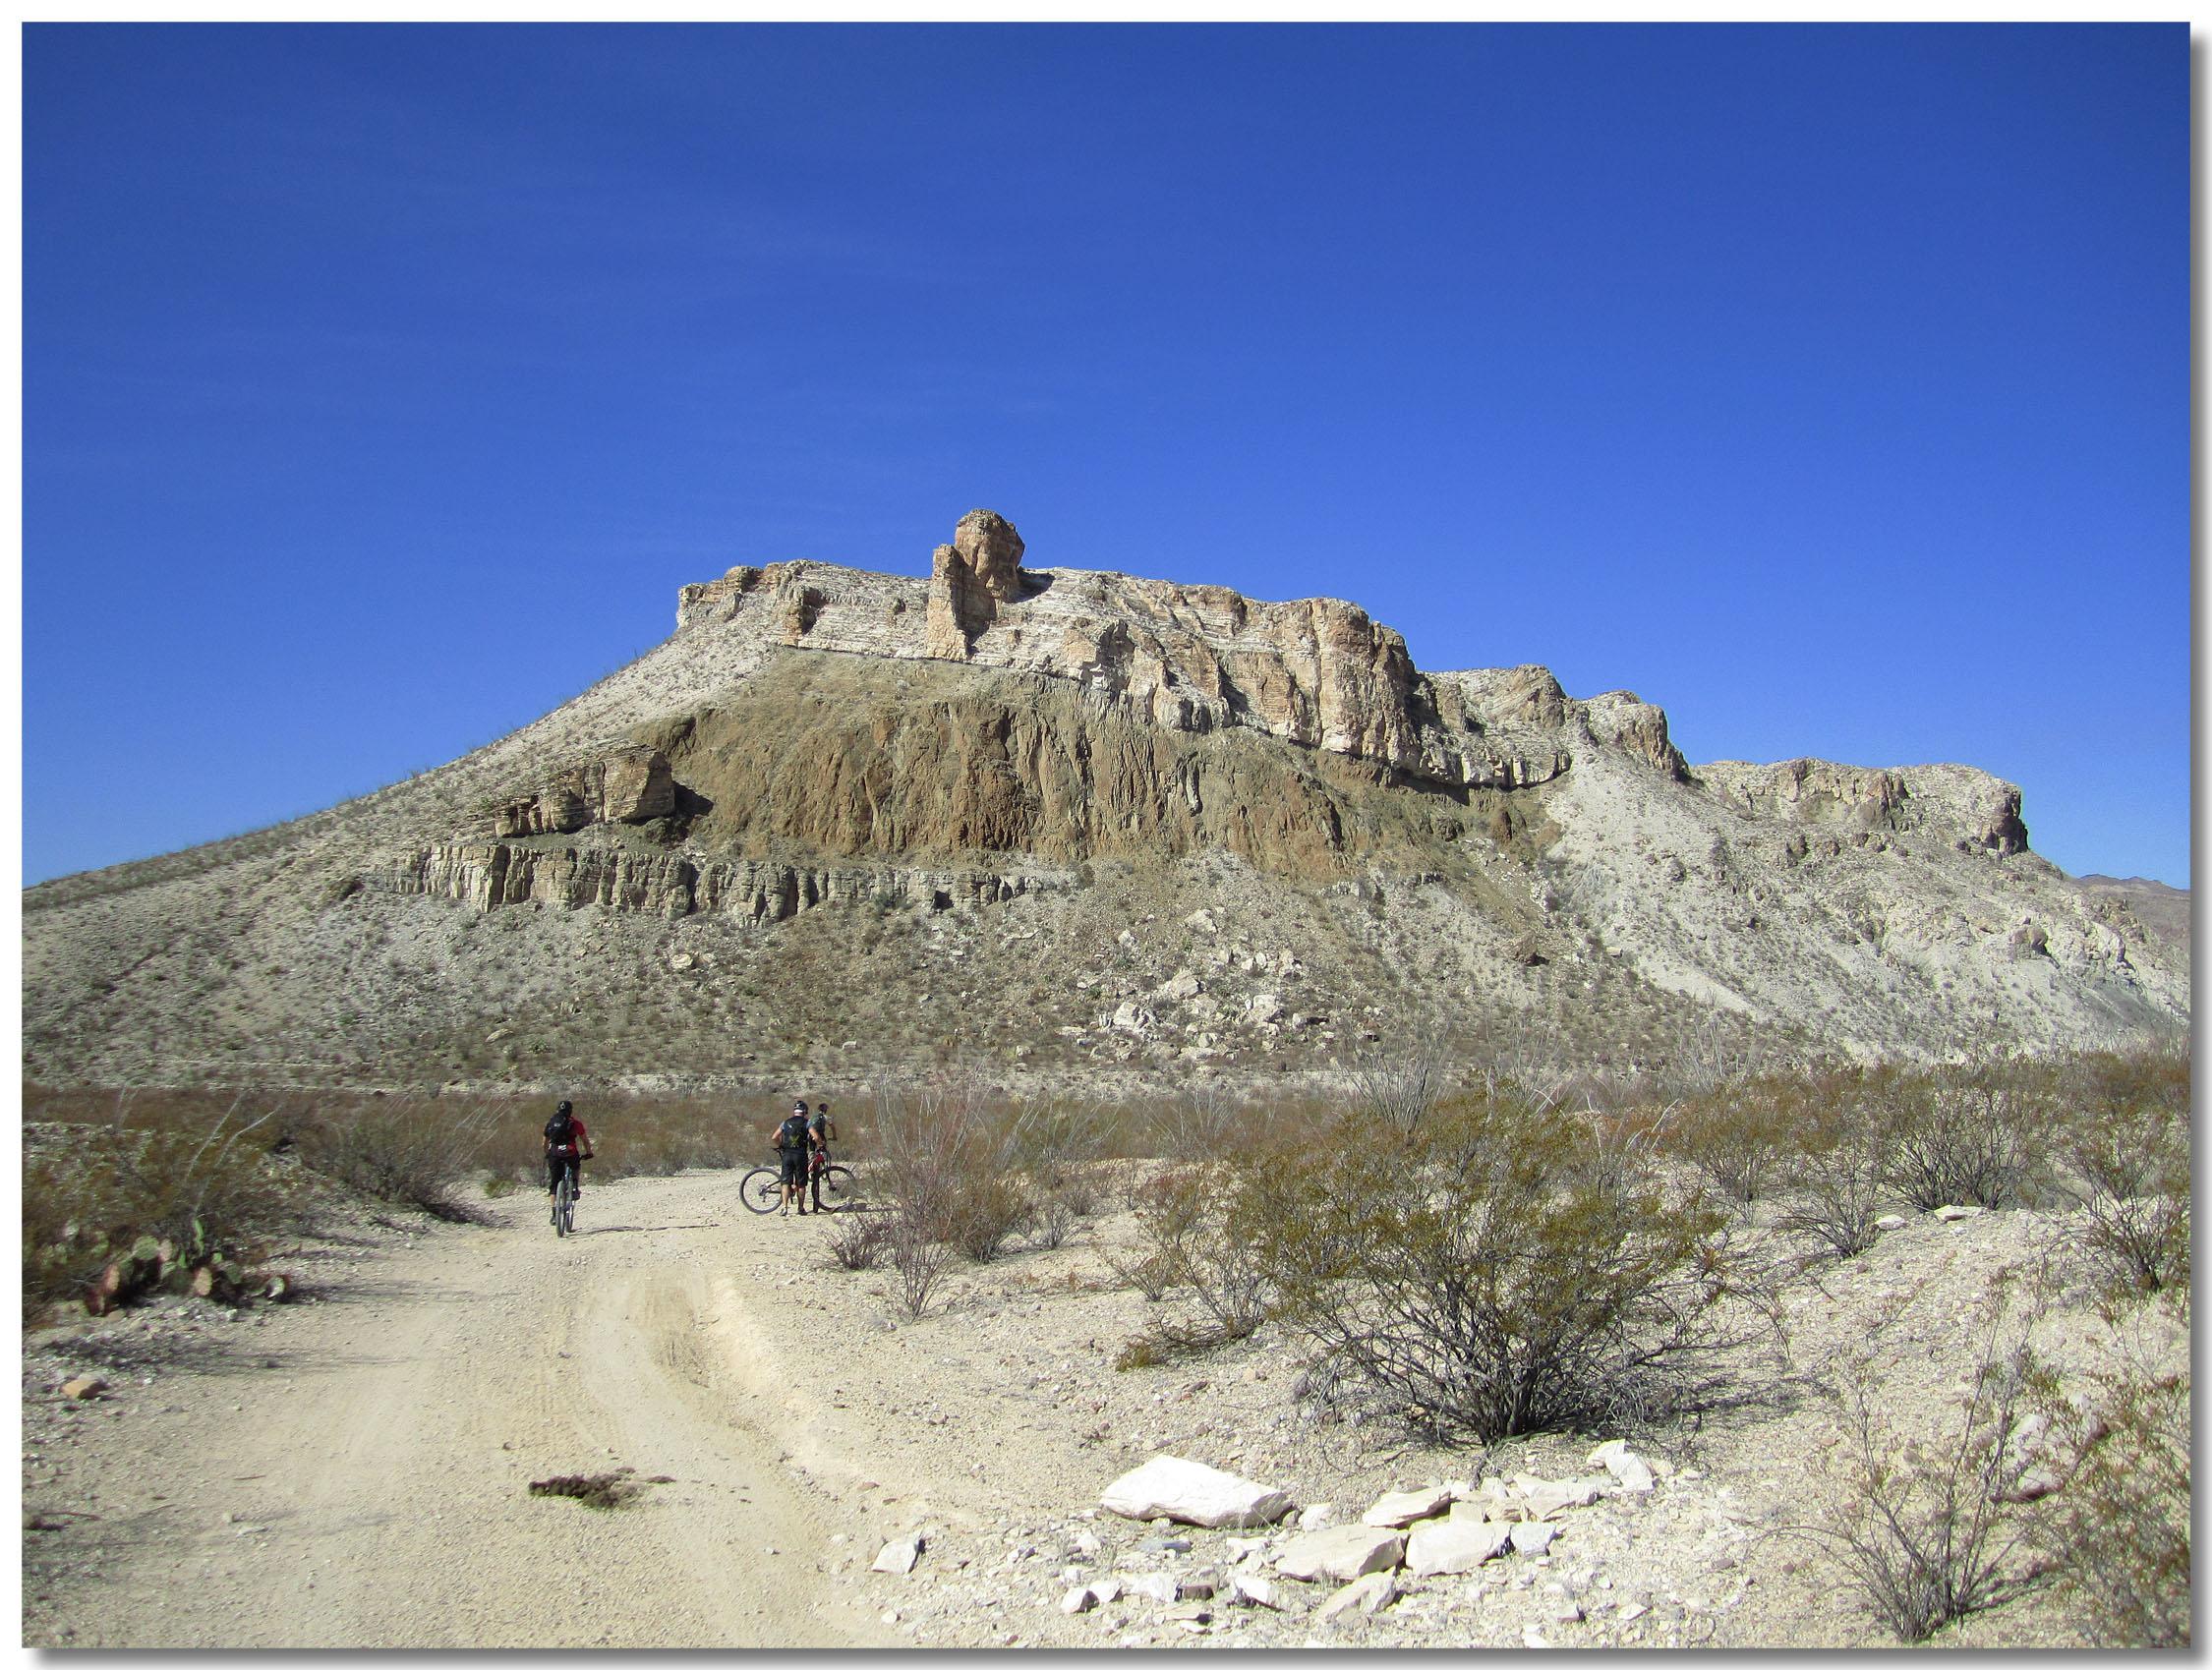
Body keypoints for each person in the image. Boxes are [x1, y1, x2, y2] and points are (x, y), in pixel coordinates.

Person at [545, 1099, 594, 1210]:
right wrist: (589, 1153)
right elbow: (585, 1140)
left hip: (555, 1153)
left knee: (554, 1183)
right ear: (571, 1111)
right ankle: (575, 1186)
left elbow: (544, 1142)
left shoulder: (551, 1122)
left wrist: (547, 1153)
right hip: (570, 1152)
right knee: (576, 1166)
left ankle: (554, 1212)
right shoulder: (576, 1123)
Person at [772, 1100, 813, 1216]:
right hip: (800, 1155)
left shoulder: (785, 1122)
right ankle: (800, 1208)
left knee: (785, 1182)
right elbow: (815, 1136)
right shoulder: (807, 1123)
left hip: (787, 1154)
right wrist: (820, 1144)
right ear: (804, 1112)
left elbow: (774, 1137)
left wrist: (780, 1145)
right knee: (801, 1183)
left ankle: (784, 1208)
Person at [808, 1102, 837, 1212]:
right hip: (820, 1136)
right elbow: (832, 1126)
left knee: (811, 1152)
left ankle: (812, 1168)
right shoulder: (825, 1117)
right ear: (826, 1110)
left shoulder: (813, 1116)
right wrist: (834, 1136)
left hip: (811, 1137)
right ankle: (821, 1169)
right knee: (822, 1151)